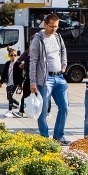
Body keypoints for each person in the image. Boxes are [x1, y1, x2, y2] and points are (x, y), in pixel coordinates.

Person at [29, 13, 70, 144]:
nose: (54, 29)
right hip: (45, 79)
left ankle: (58, 136)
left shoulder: (58, 36)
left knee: (64, 107)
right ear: (45, 24)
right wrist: (33, 81)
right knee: (43, 110)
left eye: (56, 26)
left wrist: (64, 65)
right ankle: (44, 138)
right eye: (51, 26)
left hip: (59, 77)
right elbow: (33, 61)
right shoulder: (38, 39)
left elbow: (63, 50)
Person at [0, 48, 23, 117]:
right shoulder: (7, 63)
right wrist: (1, 82)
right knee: (8, 97)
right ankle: (18, 104)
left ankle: (10, 110)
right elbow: (4, 73)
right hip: (9, 82)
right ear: (9, 55)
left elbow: (20, 75)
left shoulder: (18, 64)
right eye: (11, 55)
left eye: (15, 55)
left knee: (10, 95)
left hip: (15, 83)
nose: (13, 57)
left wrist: (20, 85)